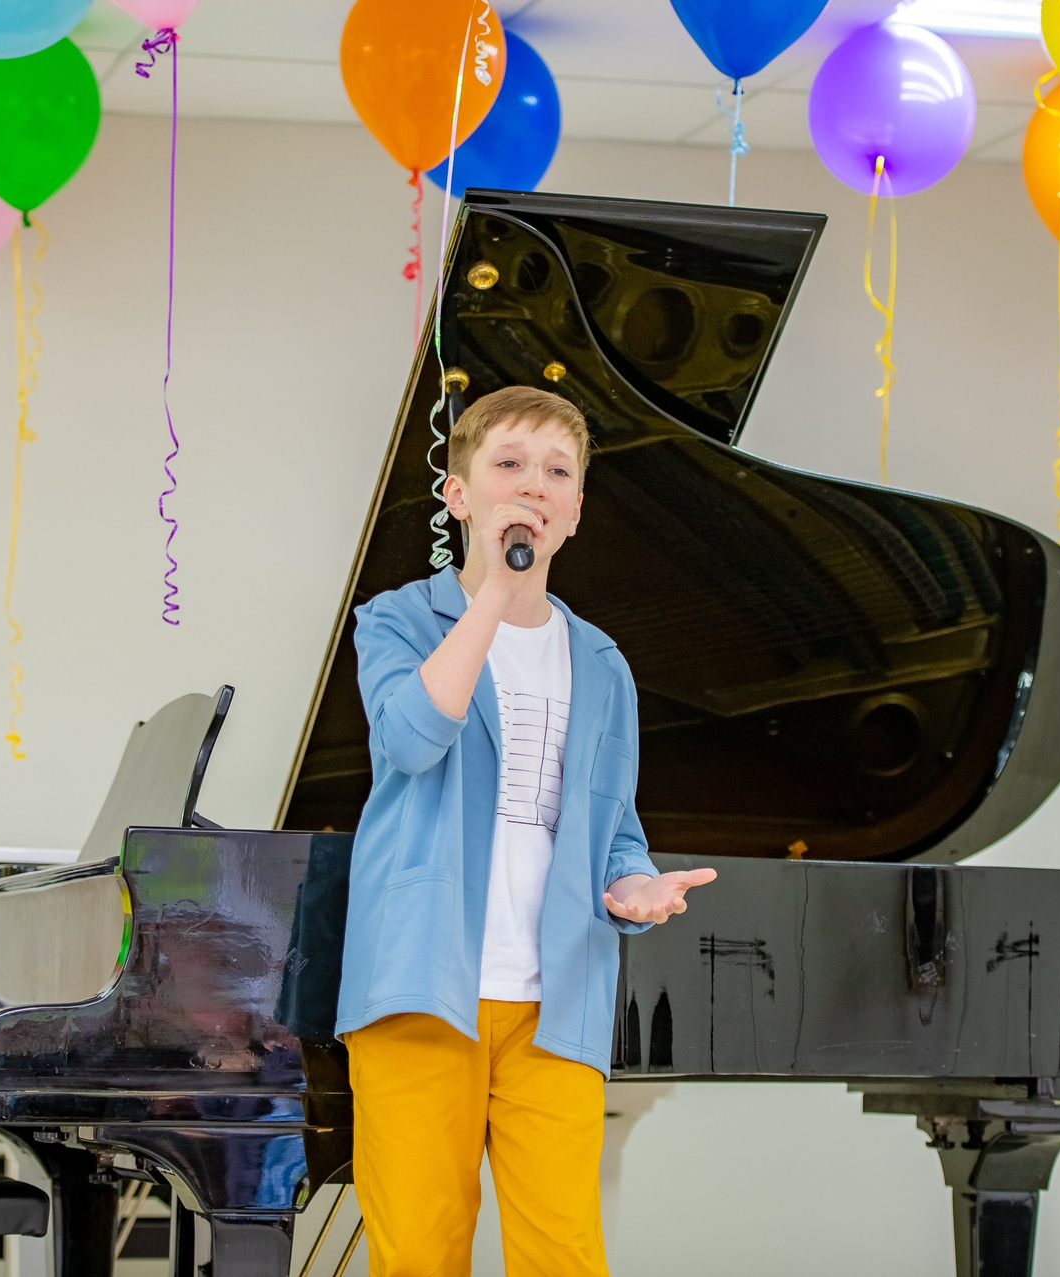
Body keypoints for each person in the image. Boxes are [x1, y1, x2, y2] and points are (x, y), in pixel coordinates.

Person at [336, 384, 715, 1276]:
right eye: (508, 463)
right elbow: (410, 740)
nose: (534, 483)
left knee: (564, 1255)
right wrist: (494, 596)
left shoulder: (603, 664)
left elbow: (614, 826)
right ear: (459, 493)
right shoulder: (396, 620)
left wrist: (634, 884)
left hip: (559, 996)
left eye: (557, 471)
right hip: (422, 983)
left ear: (575, 511)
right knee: (417, 1253)